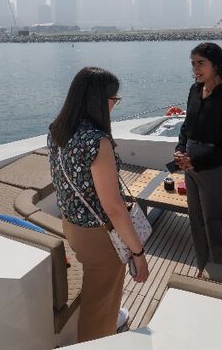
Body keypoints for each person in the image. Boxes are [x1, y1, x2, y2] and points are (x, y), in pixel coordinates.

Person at [48, 67, 149, 342]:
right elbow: (113, 206)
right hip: (99, 235)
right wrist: (138, 253)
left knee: (102, 293)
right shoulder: (97, 142)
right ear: (100, 101)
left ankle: (111, 315)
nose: (115, 104)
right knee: (97, 308)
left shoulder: (58, 130)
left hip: (72, 225)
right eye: (115, 98)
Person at [174, 42, 222, 274]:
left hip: (216, 169)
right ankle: (204, 268)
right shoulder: (195, 90)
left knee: (217, 224)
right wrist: (180, 149)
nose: (196, 68)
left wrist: (197, 162)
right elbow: (187, 126)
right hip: (191, 166)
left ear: (217, 65)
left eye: (201, 63)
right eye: (193, 63)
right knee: (196, 220)